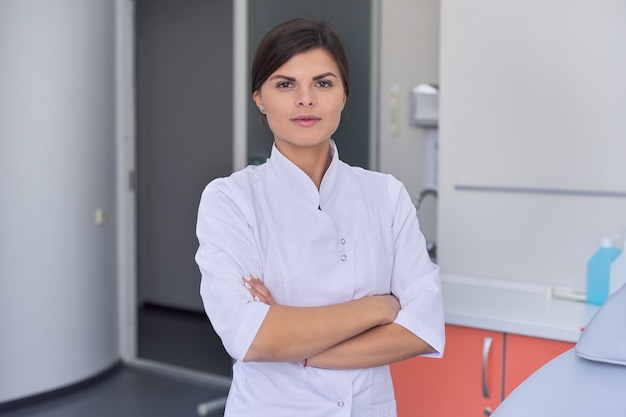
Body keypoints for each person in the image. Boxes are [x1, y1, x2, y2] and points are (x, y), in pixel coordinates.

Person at [195, 18, 444, 417]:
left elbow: (422, 329)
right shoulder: (231, 200)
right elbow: (255, 339)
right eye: (285, 84)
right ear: (259, 97)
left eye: (323, 83)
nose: (306, 99)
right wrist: (379, 309)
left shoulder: (385, 195)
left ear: (344, 93)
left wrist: (296, 345)